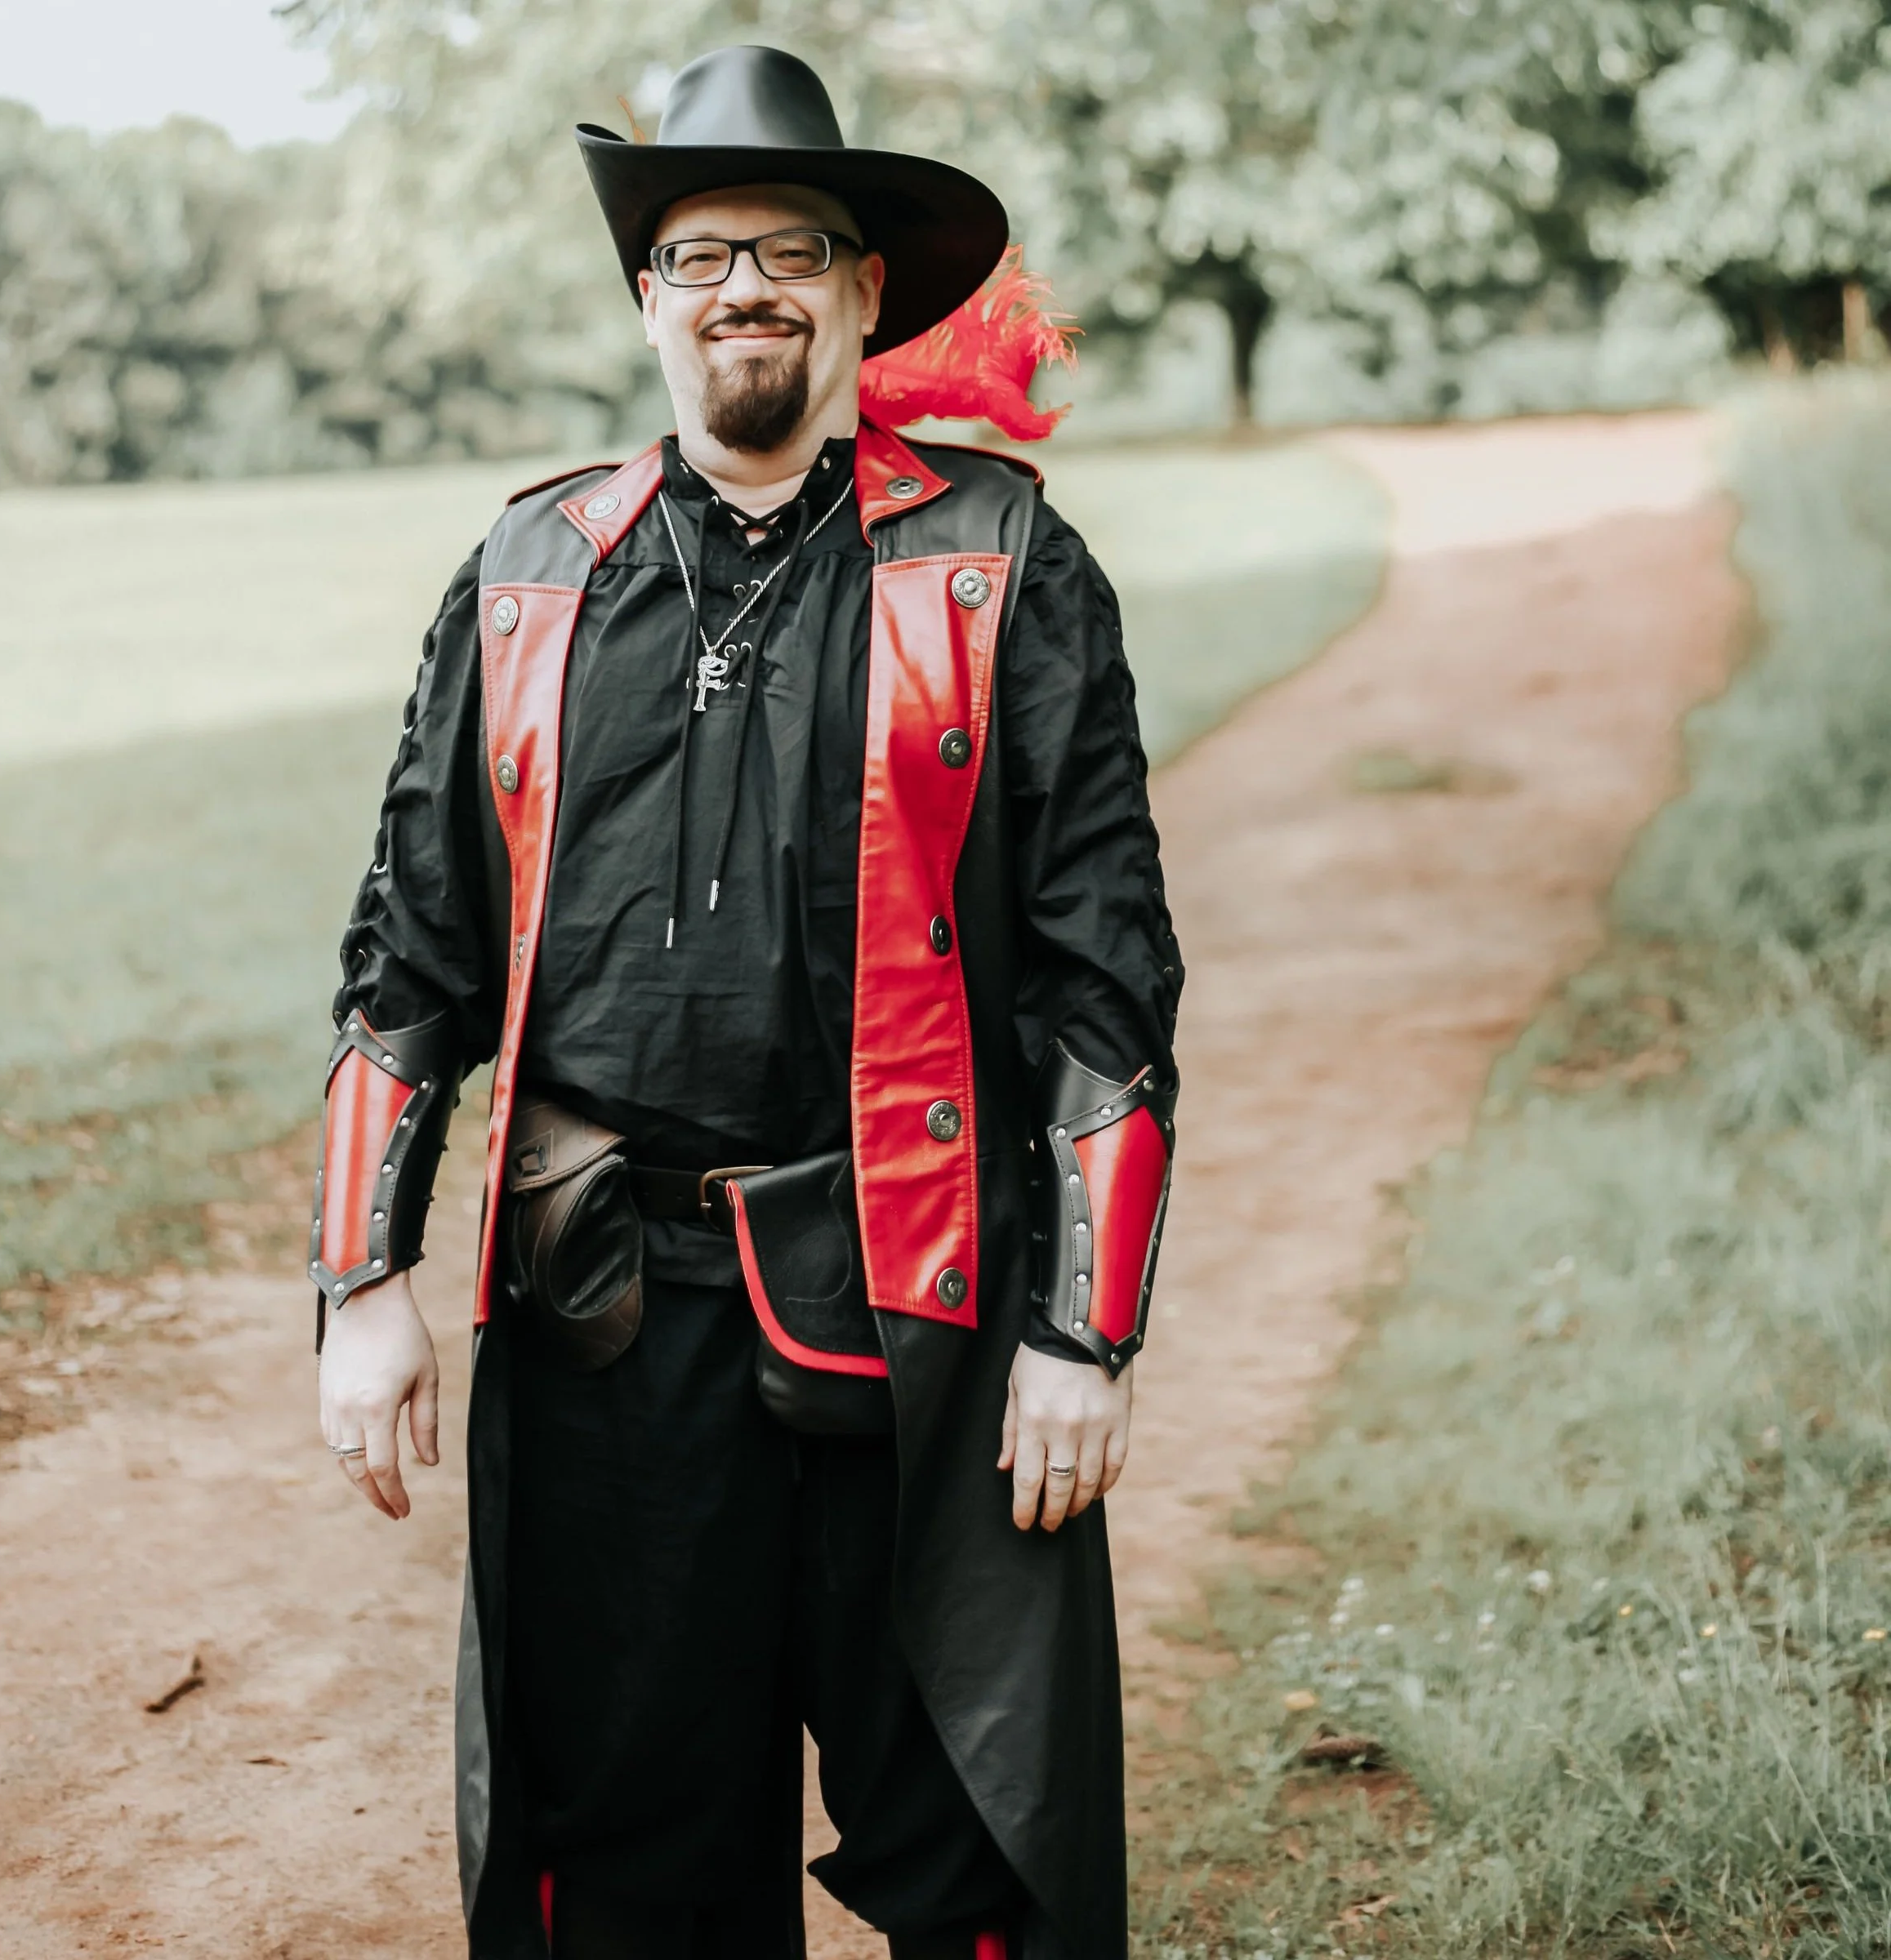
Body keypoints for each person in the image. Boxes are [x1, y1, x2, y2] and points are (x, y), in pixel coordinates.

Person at [307, 43, 1182, 1960]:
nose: (745, 291)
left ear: (865, 291)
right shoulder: (529, 576)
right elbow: (412, 951)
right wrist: (363, 1285)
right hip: (605, 1319)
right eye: (702, 256)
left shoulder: (1002, 567)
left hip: (917, 1299)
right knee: (633, 1862)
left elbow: (1104, 970)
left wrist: (1082, 1333)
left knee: (977, 1848)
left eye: (791, 250)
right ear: (649, 299)